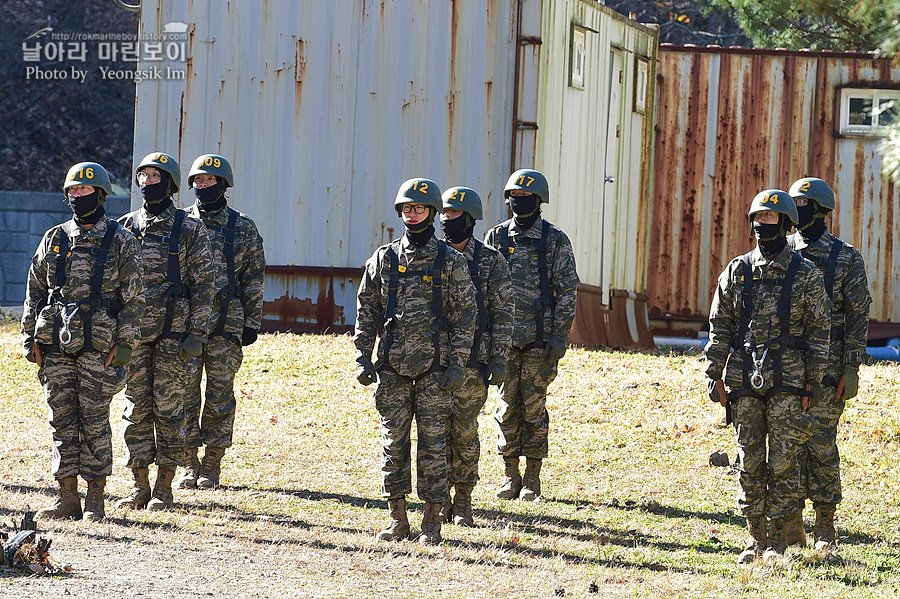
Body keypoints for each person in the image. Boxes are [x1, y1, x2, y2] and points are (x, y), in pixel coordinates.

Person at [705, 189, 830, 564]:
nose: (762, 225)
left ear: (787, 223)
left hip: (790, 384)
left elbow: (819, 330)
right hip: (744, 382)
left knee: (785, 462)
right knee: (750, 460)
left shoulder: (806, 274)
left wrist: (814, 381)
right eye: (757, 219)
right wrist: (714, 374)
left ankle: (779, 537)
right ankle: (755, 538)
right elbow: (720, 326)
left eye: (771, 219)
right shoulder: (738, 271)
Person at [354, 178, 476, 544]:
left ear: (432, 212)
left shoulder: (450, 261)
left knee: (434, 445)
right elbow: (366, 308)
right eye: (407, 208)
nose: (413, 213)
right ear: (400, 212)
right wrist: (362, 354)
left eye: (419, 208)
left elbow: (465, 315)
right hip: (391, 367)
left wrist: (457, 363)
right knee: (393, 443)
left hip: (435, 369)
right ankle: (397, 518)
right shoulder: (384, 258)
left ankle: (432, 522)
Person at [22, 161, 145, 522]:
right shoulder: (55, 238)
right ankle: (67, 495)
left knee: (93, 420)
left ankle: (95, 499)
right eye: (73, 191)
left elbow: (136, 300)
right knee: (61, 418)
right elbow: (35, 289)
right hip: (56, 344)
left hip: (100, 345)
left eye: (85, 190)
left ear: (101, 194)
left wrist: (124, 346)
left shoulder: (120, 240)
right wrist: (31, 337)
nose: (78, 196)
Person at [117, 152, 214, 511]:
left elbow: (205, 285)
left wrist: (197, 333)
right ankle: (139, 484)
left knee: (170, 410)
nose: (147, 182)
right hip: (134, 336)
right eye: (142, 176)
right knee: (135, 410)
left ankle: (164, 487)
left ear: (170, 184)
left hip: (174, 336)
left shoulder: (189, 229)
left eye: (155, 177)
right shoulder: (124, 227)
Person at [483, 169, 579, 502]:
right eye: (513, 197)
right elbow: (483, 288)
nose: (517, 203)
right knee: (507, 408)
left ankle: (532, 480)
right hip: (504, 342)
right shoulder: (495, 238)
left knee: (534, 408)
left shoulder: (554, 241)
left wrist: (558, 338)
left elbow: (567, 292)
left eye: (524, 198)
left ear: (538, 201)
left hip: (540, 341)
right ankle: (510, 476)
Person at [788, 177, 872, 550]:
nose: (794, 212)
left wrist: (851, 367)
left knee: (821, 445)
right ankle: (790, 524)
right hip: (786, 366)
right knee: (786, 446)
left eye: (801, 205)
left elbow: (858, 315)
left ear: (820, 211)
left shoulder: (845, 257)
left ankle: (825, 526)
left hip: (828, 366)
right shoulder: (781, 250)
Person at [177, 154, 266, 490]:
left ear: (223, 184)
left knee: (219, 395)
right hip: (186, 324)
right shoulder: (181, 223)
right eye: (198, 181)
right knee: (184, 392)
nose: (203, 186)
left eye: (209, 181)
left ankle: (212, 462)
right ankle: (188, 461)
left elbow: (253, 276)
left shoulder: (241, 227)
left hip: (226, 323)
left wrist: (251, 322)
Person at [438, 186, 512, 526]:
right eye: (443, 214)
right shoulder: (433, 255)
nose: (445, 220)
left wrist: (498, 358)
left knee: (464, 431)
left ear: (469, 219)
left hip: (472, 363)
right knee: (434, 433)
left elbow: (503, 312)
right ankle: (438, 501)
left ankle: (463, 501)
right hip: (434, 362)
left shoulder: (490, 260)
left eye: (452, 214)